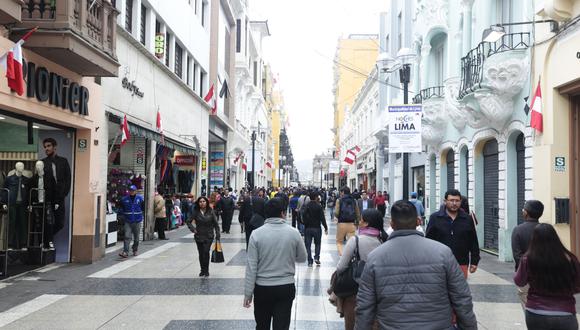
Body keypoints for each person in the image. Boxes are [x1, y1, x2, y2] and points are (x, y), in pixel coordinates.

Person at [356, 201, 477, 330]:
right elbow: (462, 298)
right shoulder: (443, 252)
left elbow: (365, 306)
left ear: (391, 224)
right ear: (418, 221)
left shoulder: (375, 257)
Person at [244, 197, 307, 330]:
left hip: (262, 288)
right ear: (283, 213)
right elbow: (302, 258)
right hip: (285, 286)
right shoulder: (294, 233)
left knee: (262, 325)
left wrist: (248, 293)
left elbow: (251, 267)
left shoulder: (256, 234)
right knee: (282, 326)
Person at [514, 223, 580, 330]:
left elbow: (519, 281)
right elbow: (578, 284)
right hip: (565, 312)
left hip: (536, 312)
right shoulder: (570, 258)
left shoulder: (528, 259)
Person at [335, 209, 386, 330]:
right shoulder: (384, 240)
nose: (359, 221)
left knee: (352, 324)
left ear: (367, 223)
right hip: (380, 290)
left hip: (356, 290)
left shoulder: (356, 240)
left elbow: (341, 267)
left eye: (362, 219)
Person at [426, 189, 480, 277]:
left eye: (457, 201)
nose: (454, 203)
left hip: (461, 262)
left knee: (460, 289)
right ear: (445, 201)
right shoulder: (435, 218)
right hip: (439, 263)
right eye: (451, 200)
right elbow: (428, 241)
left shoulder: (467, 219)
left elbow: (473, 241)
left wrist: (474, 261)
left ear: (460, 202)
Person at [41, 137, 71, 235]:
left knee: (60, 223)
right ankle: (48, 242)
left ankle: (48, 238)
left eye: (49, 146)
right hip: (48, 196)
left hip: (59, 197)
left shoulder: (63, 161)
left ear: (55, 147)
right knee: (47, 222)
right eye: (45, 147)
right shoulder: (43, 162)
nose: (46, 148)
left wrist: (64, 193)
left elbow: (68, 179)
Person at [186, 196, 220, 277]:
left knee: (206, 252)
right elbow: (188, 221)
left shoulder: (211, 211)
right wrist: (193, 229)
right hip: (199, 235)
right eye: (200, 202)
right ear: (198, 203)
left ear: (206, 202)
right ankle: (202, 270)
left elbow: (216, 224)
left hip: (209, 235)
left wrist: (218, 234)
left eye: (204, 201)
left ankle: (206, 270)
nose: (202, 203)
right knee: (201, 253)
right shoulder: (196, 212)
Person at [511, 200, 544, 270]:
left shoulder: (518, 230)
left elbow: (517, 256)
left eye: (523, 210)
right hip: (544, 273)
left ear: (525, 213)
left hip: (525, 274)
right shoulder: (546, 229)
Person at [302, 192, 329, 267]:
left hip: (308, 228)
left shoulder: (306, 206)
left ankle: (310, 261)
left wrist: (304, 223)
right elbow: (322, 218)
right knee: (317, 243)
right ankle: (316, 257)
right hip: (317, 228)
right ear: (316, 197)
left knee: (308, 245)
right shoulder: (319, 206)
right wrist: (325, 227)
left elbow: (303, 216)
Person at [119, 185, 144, 258]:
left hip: (137, 221)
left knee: (136, 238)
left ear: (136, 191)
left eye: (133, 190)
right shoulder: (124, 199)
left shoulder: (140, 199)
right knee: (127, 236)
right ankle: (125, 252)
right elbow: (121, 208)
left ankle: (135, 249)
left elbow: (143, 207)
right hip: (128, 221)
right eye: (130, 190)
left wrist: (140, 216)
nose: (131, 192)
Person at [334, 186, 360, 256]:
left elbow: (336, 213)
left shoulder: (339, 200)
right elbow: (357, 213)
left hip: (341, 224)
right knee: (351, 242)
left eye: (341, 192)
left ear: (343, 192)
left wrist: (336, 218)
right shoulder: (354, 200)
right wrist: (357, 223)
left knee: (339, 242)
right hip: (352, 224)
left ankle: (342, 255)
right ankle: (350, 257)